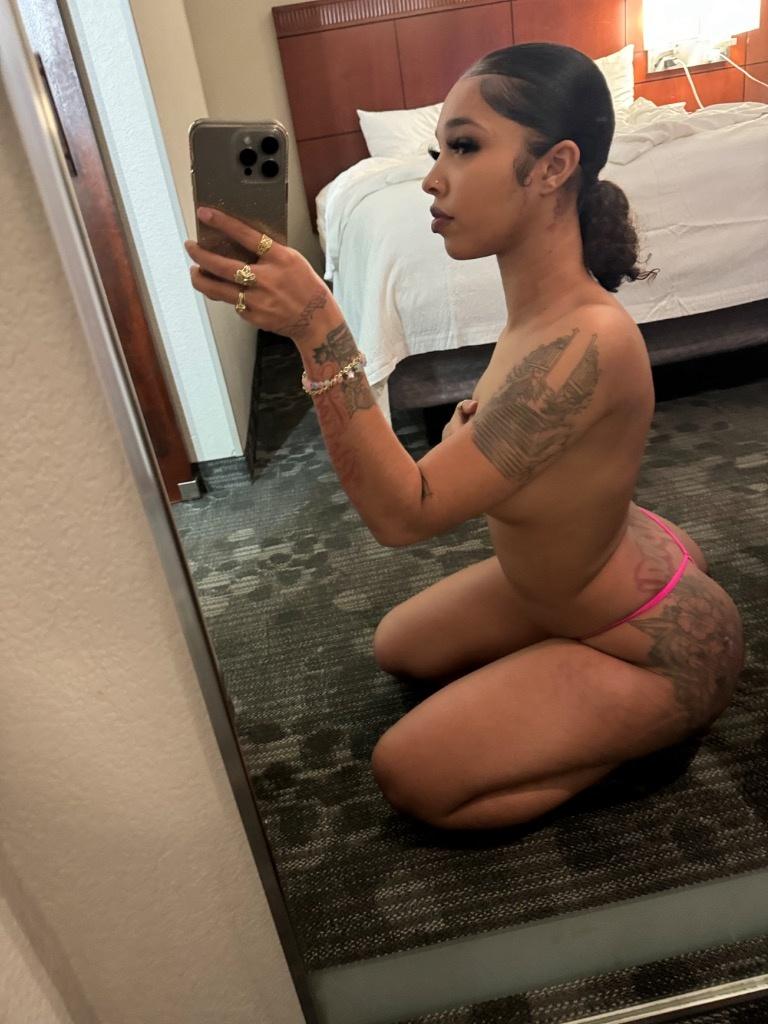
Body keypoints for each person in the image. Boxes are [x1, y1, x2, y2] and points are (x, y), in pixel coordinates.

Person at [185, 42, 744, 833]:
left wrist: (319, 327)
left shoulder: (585, 342)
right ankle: (605, 653)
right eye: (437, 150)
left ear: (554, 167)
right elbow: (517, 451)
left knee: (412, 775)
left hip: (652, 646)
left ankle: (652, 723)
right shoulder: (539, 313)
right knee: (400, 646)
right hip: (563, 579)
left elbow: (403, 514)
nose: (433, 179)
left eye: (466, 146)